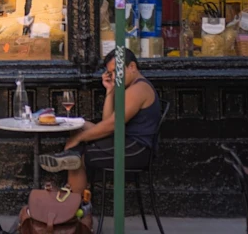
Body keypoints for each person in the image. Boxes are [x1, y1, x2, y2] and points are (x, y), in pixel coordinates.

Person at [39, 48, 162, 194]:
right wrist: (110, 91)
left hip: (136, 149)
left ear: (132, 67)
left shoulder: (138, 89)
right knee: (81, 127)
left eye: (117, 71)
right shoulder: (131, 88)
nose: (115, 77)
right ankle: (69, 177)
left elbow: (111, 126)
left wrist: (78, 139)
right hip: (124, 141)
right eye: (111, 73)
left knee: (80, 155)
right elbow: (107, 121)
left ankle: (74, 202)